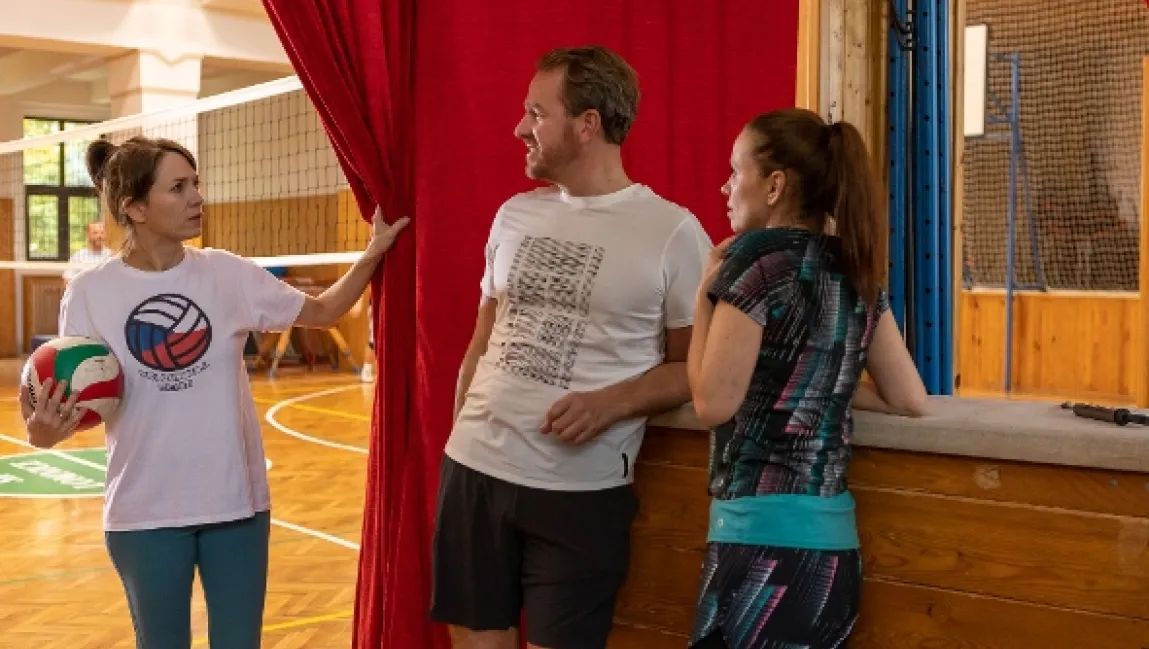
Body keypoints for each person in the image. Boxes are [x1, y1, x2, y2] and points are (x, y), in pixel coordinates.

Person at [18, 135, 409, 649]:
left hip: (235, 505)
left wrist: (373, 251)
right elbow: (66, 409)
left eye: (195, 183)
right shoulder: (90, 293)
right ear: (135, 208)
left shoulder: (226, 273)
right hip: (144, 512)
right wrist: (44, 432)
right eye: (178, 187)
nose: (197, 197)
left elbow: (324, 311)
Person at [430, 45, 713, 649]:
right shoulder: (513, 215)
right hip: (474, 474)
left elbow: (695, 366)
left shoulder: (674, 232)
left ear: (587, 125)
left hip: (580, 494)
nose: (520, 128)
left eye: (537, 113)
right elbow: (482, 339)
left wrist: (614, 402)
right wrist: (459, 445)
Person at [685, 108, 929, 649]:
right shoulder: (853, 265)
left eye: (736, 171)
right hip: (833, 551)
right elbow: (910, 397)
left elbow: (712, 403)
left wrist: (705, 295)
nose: (725, 186)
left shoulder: (755, 259)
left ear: (774, 186)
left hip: (759, 544)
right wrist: (820, 382)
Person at [62, 221, 113, 287]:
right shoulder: (78, 257)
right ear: (88, 235)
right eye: (95, 233)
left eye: (102, 233)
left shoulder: (112, 256)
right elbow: (67, 281)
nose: (99, 236)